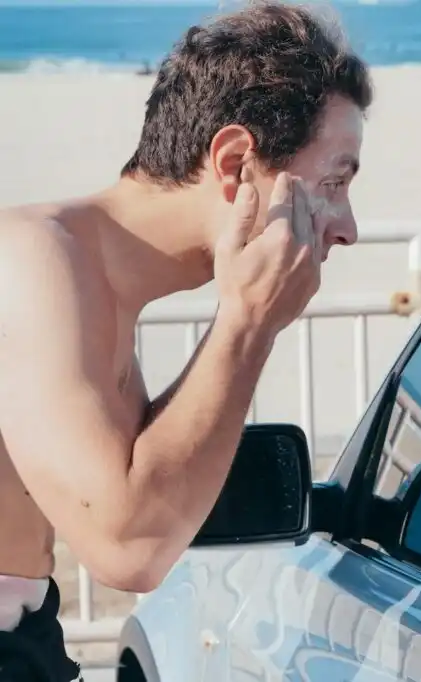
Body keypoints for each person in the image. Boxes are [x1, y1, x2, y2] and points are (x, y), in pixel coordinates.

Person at [0, 2, 372, 679]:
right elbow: (130, 548)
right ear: (233, 163)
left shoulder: (88, 280)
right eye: (334, 182)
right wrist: (248, 321)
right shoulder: (30, 260)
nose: (346, 226)